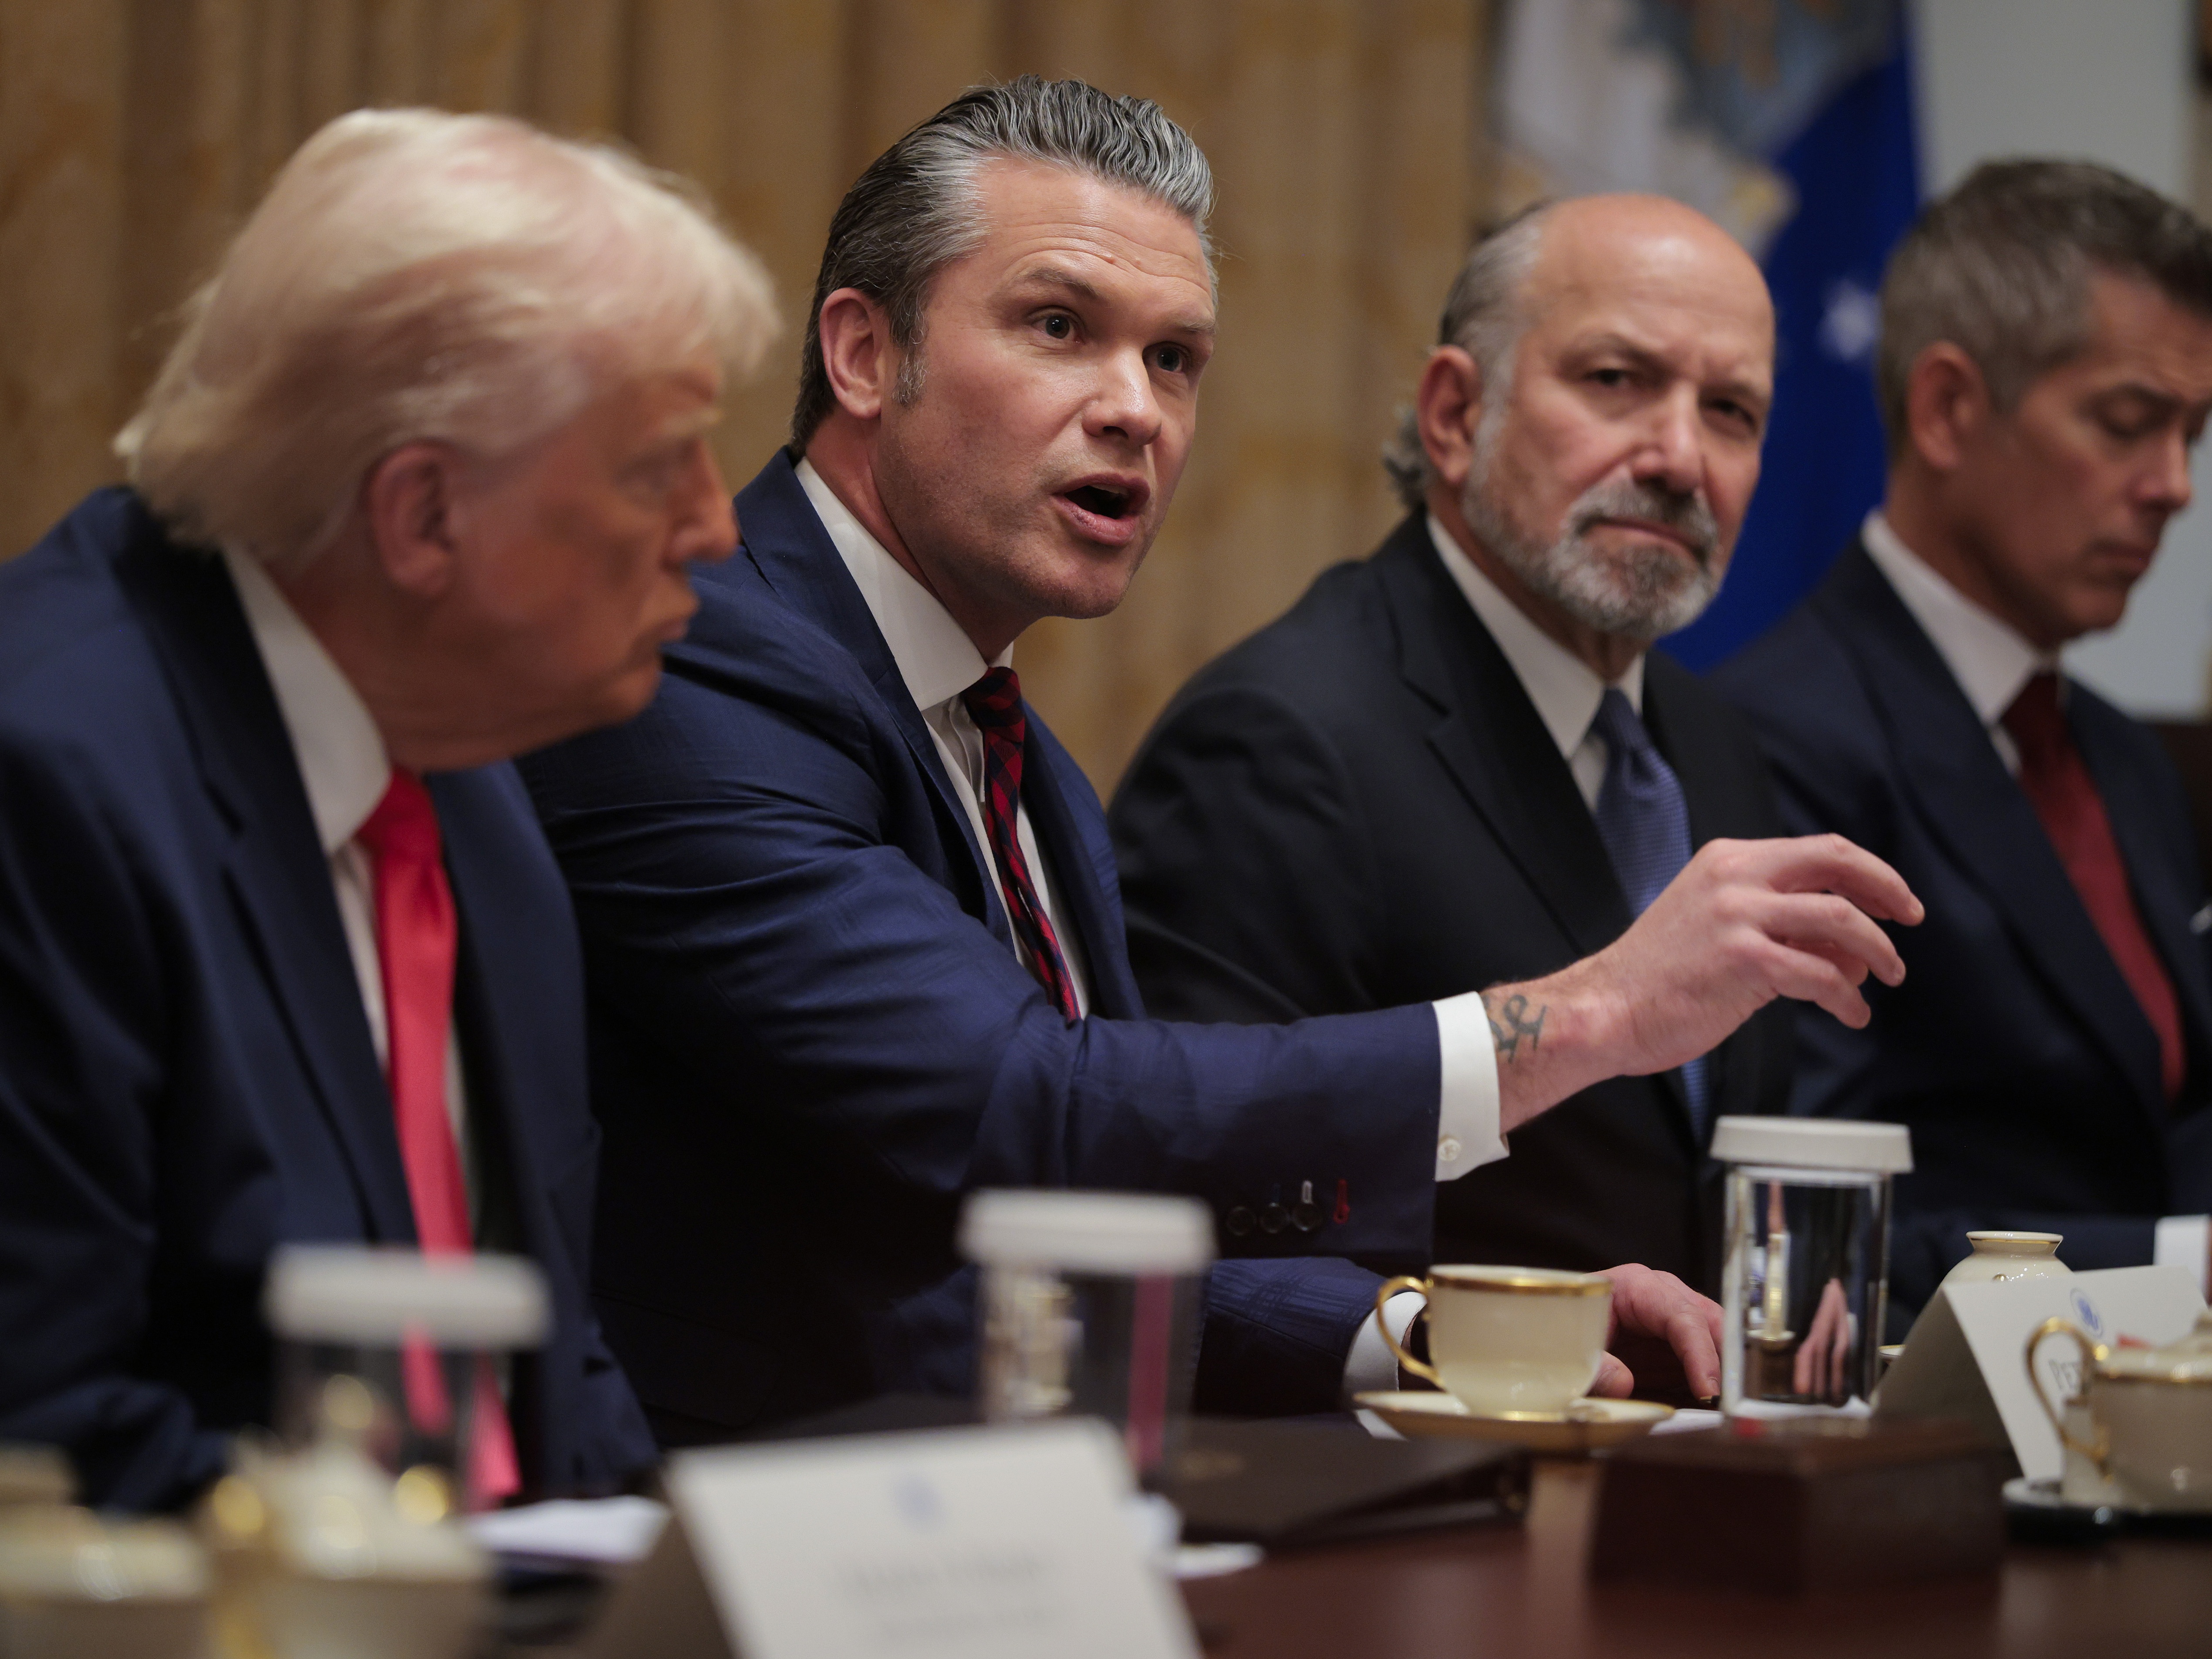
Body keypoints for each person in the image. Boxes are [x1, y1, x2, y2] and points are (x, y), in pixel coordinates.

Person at [519, 78, 1919, 1440]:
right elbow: (1032, 1115)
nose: (1135, 406)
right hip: (718, 1535)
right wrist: (1588, 1015)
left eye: (1174, 358)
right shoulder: (703, 661)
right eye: (1060, 326)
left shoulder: (1023, 762)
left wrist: (1448, 1325)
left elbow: (1119, 1225)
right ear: (866, 354)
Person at [0, 108, 777, 1510]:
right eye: (661, 465)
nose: (719, 527)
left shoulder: (471, 787)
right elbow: (43, 1445)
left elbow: (552, 1374)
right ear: (423, 517)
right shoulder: (47, 778)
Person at [1108, 195, 1793, 1314]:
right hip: (1400, 1462)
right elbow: (1203, 1207)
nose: (1678, 457)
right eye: (1615, 380)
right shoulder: (1278, 738)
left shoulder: (1712, 747)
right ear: (1453, 414)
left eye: (1729, 410)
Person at [1712, 160, 2212, 1325]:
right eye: (2129, 424)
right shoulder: (1774, 736)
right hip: (1932, 1445)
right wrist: (2182, 1271)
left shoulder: (2127, 762)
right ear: (1947, 410)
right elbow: (1812, 1243)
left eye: (2194, 433)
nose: (2176, 487)